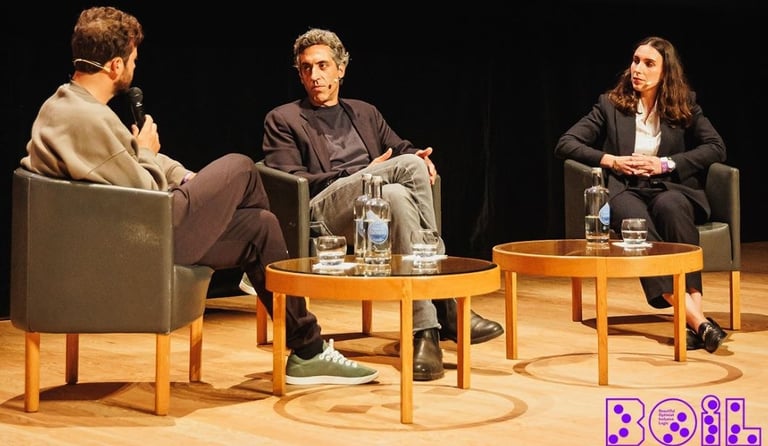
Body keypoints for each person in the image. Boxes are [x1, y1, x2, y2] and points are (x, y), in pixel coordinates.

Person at [20, 6, 378, 386]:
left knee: (260, 225)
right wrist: (146, 153)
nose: (134, 68)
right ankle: (284, 299)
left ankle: (307, 350)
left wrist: (187, 177)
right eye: (133, 60)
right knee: (242, 168)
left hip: (138, 229)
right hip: (140, 243)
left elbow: (138, 165)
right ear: (114, 65)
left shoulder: (73, 105)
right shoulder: (86, 120)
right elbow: (142, 187)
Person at [261, 28, 504, 381]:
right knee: (405, 172)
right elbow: (289, 181)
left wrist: (420, 157)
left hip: (375, 207)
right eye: (306, 68)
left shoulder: (364, 112)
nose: (315, 76)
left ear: (340, 69)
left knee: (396, 194)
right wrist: (364, 171)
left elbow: (401, 148)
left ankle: (425, 331)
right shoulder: (283, 119)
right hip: (326, 213)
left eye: (323, 66)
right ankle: (446, 299)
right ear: (299, 74)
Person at [554, 36, 728, 353]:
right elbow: (566, 143)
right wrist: (612, 160)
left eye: (649, 63)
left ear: (665, 72)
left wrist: (665, 163)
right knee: (636, 222)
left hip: (669, 186)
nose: (638, 69)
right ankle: (698, 322)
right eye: (636, 61)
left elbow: (716, 147)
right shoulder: (610, 104)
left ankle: (690, 319)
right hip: (624, 189)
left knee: (674, 208)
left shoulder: (684, 103)